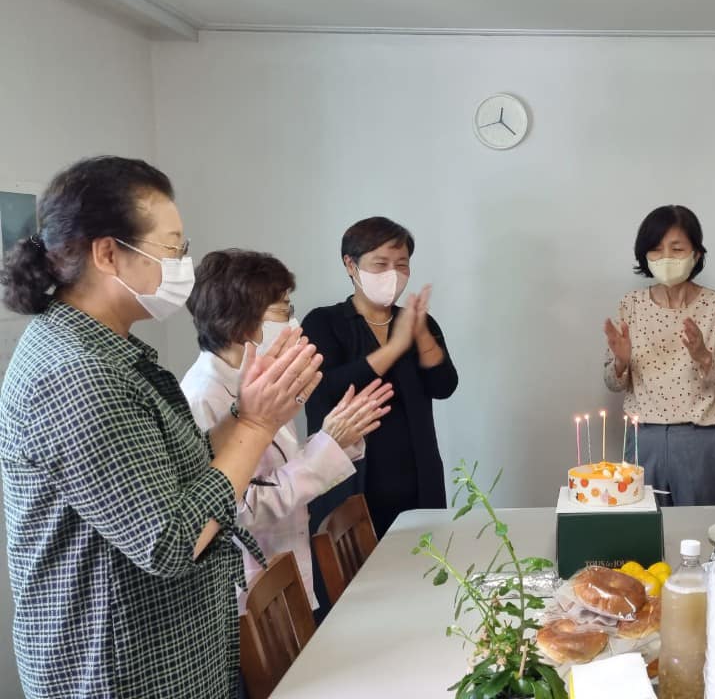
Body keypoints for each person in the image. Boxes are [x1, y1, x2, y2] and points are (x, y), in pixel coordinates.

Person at [0, 157, 321, 698]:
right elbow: (171, 540)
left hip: (168, 655)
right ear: (107, 253)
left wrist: (248, 414)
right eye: (172, 249)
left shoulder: (110, 351)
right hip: (119, 672)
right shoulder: (76, 373)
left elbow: (179, 473)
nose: (183, 265)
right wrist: (255, 423)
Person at [180, 249, 394, 614]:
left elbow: (280, 469)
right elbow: (236, 507)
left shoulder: (259, 380)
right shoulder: (203, 396)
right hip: (248, 594)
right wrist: (325, 448)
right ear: (241, 323)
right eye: (284, 310)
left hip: (285, 572)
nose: (294, 323)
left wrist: (334, 438)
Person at [303, 217, 458, 541]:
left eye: (402, 264)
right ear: (350, 264)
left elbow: (444, 386)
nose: (393, 273)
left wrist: (420, 334)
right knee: (354, 571)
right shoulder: (323, 322)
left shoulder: (418, 321)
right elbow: (326, 388)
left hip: (418, 481)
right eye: (380, 264)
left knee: (425, 564)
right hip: (350, 486)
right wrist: (394, 347)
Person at [603, 205, 715, 506]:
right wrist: (621, 362)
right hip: (644, 437)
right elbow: (613, 383)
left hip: (701, 438)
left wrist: (704, 357)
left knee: (700, 527)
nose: (666, 257)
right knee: (644, 527)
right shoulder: (631, 305)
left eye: (677, 248)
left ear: (696, 253)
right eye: (656, 249)